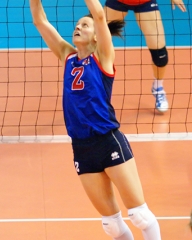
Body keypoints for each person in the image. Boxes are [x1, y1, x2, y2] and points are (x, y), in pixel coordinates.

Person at [30, 0, 161, 239]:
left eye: (85, 25)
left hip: (107, 139)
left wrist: (95, 18)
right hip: (81, 147)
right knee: (111, 224)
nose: (78, 27)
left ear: (97, 38)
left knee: (139, 215)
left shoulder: (103, 57)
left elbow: (100, 15)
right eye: (78, 24)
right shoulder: (67, 56)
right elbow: (40, 21)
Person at [104, 0, 186, 112]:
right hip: (117, 2)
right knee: (95, 43)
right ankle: (94, 90)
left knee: (160, 56)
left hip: (145, 2)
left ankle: (158, 88)